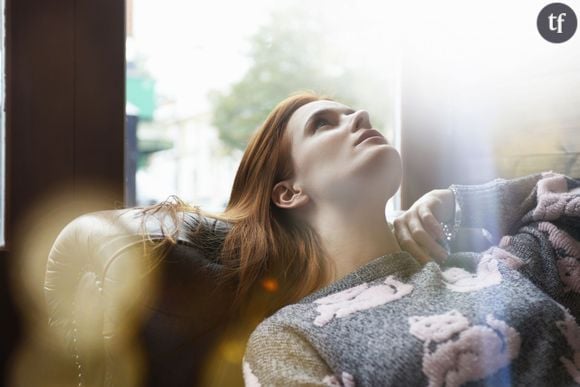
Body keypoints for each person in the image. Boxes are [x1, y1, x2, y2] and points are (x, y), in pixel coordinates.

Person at [223, 91, 579, 386]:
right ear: (288, 193)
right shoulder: (291, 335)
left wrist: (460, 201)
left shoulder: (488, 267)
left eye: (352, 112)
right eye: (322, 124)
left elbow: (569, 205)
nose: (361, 115)